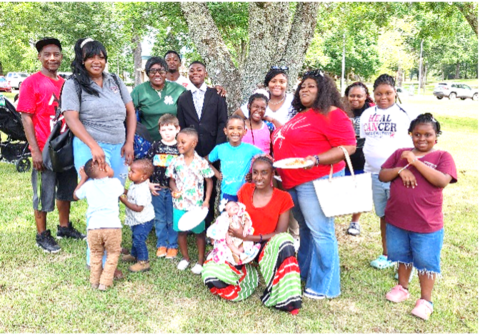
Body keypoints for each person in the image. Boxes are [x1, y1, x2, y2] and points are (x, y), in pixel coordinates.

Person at [272, 69, 356, 300]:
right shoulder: (303, 114)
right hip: (292, 181)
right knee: (307, 230)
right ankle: (306, 272)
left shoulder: (332, 113)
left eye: (311, 86)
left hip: (315, 179)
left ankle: (326, 285)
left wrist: (316, 159)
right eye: (302, 86)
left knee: (321, 231)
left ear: (323, 90)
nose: (305, 90)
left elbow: (348, 146)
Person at [62, 38, 136, 272]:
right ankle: (97, 259)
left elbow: (131, 112)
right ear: (81, 60)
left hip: (119, 146)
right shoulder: (73, 83)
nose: (97, 61)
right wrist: (94, 146)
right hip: (89, 146)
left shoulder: (115, 80)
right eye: (91, 57)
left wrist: (130, 141)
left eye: (101, 57)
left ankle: (110, 249)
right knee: (97, 199)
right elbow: (71, 118)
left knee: (112, 198)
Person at [379, 114, 457, 320]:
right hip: (397, 220)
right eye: (417, 134)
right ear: (410, 135)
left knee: (425, 260)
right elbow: (383, 175)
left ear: (436, 137)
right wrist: (400, 170)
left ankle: (425, 300)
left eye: (428, 135)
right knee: (402, 255)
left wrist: (415, 162)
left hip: (426, 223)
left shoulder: (442, 157)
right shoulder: (399, 154)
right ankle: (402, 287)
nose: (422, 139)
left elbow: (441, 181)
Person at [202, 156, 302, 314]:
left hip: (266, 246)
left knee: (285, 241)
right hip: (243, 249)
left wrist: (247, 237)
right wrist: (223, 242)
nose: (259, 177)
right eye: (255, 173)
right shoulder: (245, 190)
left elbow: (280, 232)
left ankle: (284, 299)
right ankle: (248, 279)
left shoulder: (283, 198)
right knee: (209, 272)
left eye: (264, 173)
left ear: (272, 174)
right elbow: (235, 217)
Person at [18, 37, 84, 254]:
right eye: (47, 54)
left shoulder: (65, 83)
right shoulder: (31, 82)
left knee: (66, 188)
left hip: (64, 146)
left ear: (61, 57)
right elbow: (26, 117)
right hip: (44, 147)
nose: (52, 58)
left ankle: (64, 227)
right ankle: (41, 234)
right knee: (44, 191)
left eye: (56, 54)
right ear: (40, 57)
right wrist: (35, 150)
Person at [360, 74, 417, 270]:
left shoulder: (406, 113)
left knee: (403, 217)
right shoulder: (367, 114)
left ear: (395, 92)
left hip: (400, 176)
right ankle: (387, 254)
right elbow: (367, 141)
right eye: (379, 93)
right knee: (384, 216)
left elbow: (418, 143)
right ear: (373, 94)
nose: (383, 97)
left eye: (388, 93)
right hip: (375, 174)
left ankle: (405, 261)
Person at [177, 61, 228, 226]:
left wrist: (217, 149)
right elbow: (182, 126)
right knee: (192, 183)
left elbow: (222, 123)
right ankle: (193, 222)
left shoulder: (217, 95)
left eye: (199, 70)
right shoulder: (183, 98)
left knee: (209, 183)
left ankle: (207, 222)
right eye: (191, 71)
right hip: (193, 149)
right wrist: (186, 149)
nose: (195, 73)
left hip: (212, 147)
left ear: (205, 73)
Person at [166, 128, 214, 274]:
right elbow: (171, 180)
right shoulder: (175, 161)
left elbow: (209, 181)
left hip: (196, 205)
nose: (179, 145)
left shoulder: (201, 163)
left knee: (199, 233)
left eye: (183, 142)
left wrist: (206, 200)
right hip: (180, 204)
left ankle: (200, 261)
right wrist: (174, 189)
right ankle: (185, 258)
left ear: (194, 143)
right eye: (178, 142)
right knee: (181, 231)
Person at [74, 160, 124, 291]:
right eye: (108, 165)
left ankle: (94, 282)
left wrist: (83, 178)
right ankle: (105, 282)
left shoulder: (88, 185)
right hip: (112, 227)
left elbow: (75, 195)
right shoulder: (115, 183)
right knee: (112, 254)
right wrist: (110, 174)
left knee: (95, 254)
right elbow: (120, 191)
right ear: (104, 168)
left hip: (93, 228)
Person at [146, 114, 181, 259]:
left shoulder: (180, 147)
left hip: (174, 190)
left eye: (171, 129)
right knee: (160, 217)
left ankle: (172, 245)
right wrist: (148, 183)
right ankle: (162, 244)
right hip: (157, 189)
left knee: (172, 218)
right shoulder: (155, 146)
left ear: (177, 129)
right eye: (164, 129)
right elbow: (147, 166)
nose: (167, 132)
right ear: (159, 131)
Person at [207, 115, 263, 202]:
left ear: (245, 131)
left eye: (239, 128)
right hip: (227, 194)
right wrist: (217, 174)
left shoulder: (250, 149)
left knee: (244, 215)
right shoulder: (220, 149)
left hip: (245, 193)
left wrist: (254, 175)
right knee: (227, 215)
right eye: (231, 128)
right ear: (225, 131)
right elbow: (205, 162)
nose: (235, 131)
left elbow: (267, 160)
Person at [343, 82, 375, 236]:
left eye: (359, 96)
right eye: (352, 95)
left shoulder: (372, 111)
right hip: (342, 155)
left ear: (365, 96)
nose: (355, 99)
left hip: (363, 156)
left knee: (360, 190)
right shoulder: (340, 109)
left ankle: (355, 222)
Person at [131, 57, 186, 142]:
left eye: (161, 71)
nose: (157, 74)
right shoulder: (139, 90)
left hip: (173, 142)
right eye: (152, 71)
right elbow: (128, 113)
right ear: (147, 73)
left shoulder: (178, 89)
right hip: (147, 142)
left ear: (166, 73)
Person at [120, 159, 155, 273]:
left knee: (139, 239)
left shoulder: (142, 189)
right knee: (135, 237)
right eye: (130, 170)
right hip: (136, 219)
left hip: (143, 220)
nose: (129, 173)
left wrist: (123, 200)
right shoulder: (135, 183)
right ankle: (134, 255)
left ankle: (143, 262)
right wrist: (122, 191)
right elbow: (130, 192)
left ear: (143, 176)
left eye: (133, 172)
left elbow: (139, 208)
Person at [206, 201, 260, 266]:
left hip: (242, 237)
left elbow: (247, 221)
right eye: (230, 208)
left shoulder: (242, 215)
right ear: (227, 213)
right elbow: (224, 229)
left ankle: (240, 255)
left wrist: (246, 228)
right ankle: (240, 255)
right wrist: (227, 237)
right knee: (230, 244)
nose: (233, 207)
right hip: (232, 238)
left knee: (244, 243)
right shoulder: (227, 219)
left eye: (234, 205)